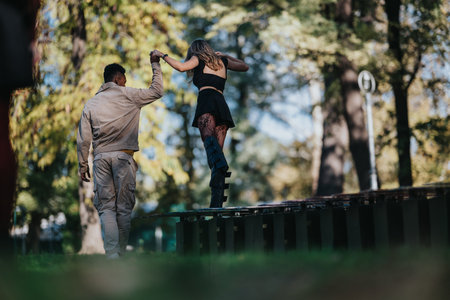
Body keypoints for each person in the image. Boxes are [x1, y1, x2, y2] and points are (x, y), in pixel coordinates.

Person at [76, 52, 163, 258]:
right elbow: (157, 90)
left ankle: (112, 255)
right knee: (123, 208)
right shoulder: (129, 95)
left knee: (106, 208)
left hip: (100, 160)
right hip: (124, 158)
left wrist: (82, 165)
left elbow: (83, 139)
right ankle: (121, 253)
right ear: (117, 78)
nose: (126, 83)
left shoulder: (91, 104)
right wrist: (155, 65)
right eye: (124, 80)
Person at [152, 39, 248, 208]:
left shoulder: (198, 58)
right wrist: (225, 55)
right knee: (217, 153)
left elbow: (181, 67)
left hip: (207, 101)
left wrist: (162, 55)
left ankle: (219, 181)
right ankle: (216, 203)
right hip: (221, 104)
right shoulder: (223, 62)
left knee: (211, 149)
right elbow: (244, 66)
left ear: (195, 50)